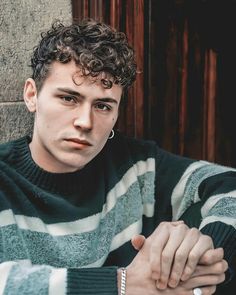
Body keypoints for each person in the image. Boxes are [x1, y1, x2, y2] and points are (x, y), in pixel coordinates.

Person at [0, 18, 235, 295]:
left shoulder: (135, 165)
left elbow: (228, 185)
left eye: (102, 106)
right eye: (68, 98)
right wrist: (123, 284)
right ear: (32, 95)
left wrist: (202, 252)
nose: (85, 122)